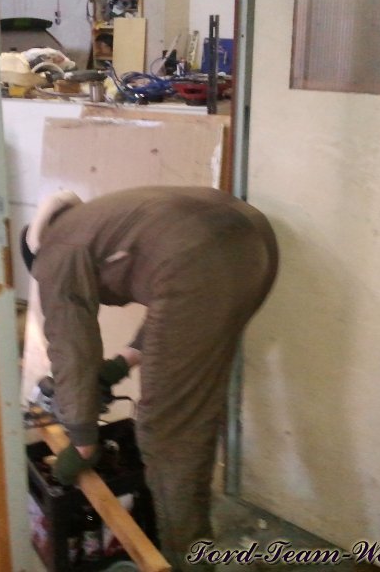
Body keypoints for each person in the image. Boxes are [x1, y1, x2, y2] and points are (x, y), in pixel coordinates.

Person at [20, 186, 279, 569]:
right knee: (193, 403)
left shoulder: (54, 255)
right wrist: (120, 365)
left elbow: (71, 348)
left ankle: (186, 556)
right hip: (255, 243)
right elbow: (172, 300)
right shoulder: (97, 219)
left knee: (167, 430)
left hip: (201, 260)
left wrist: (82, 440)